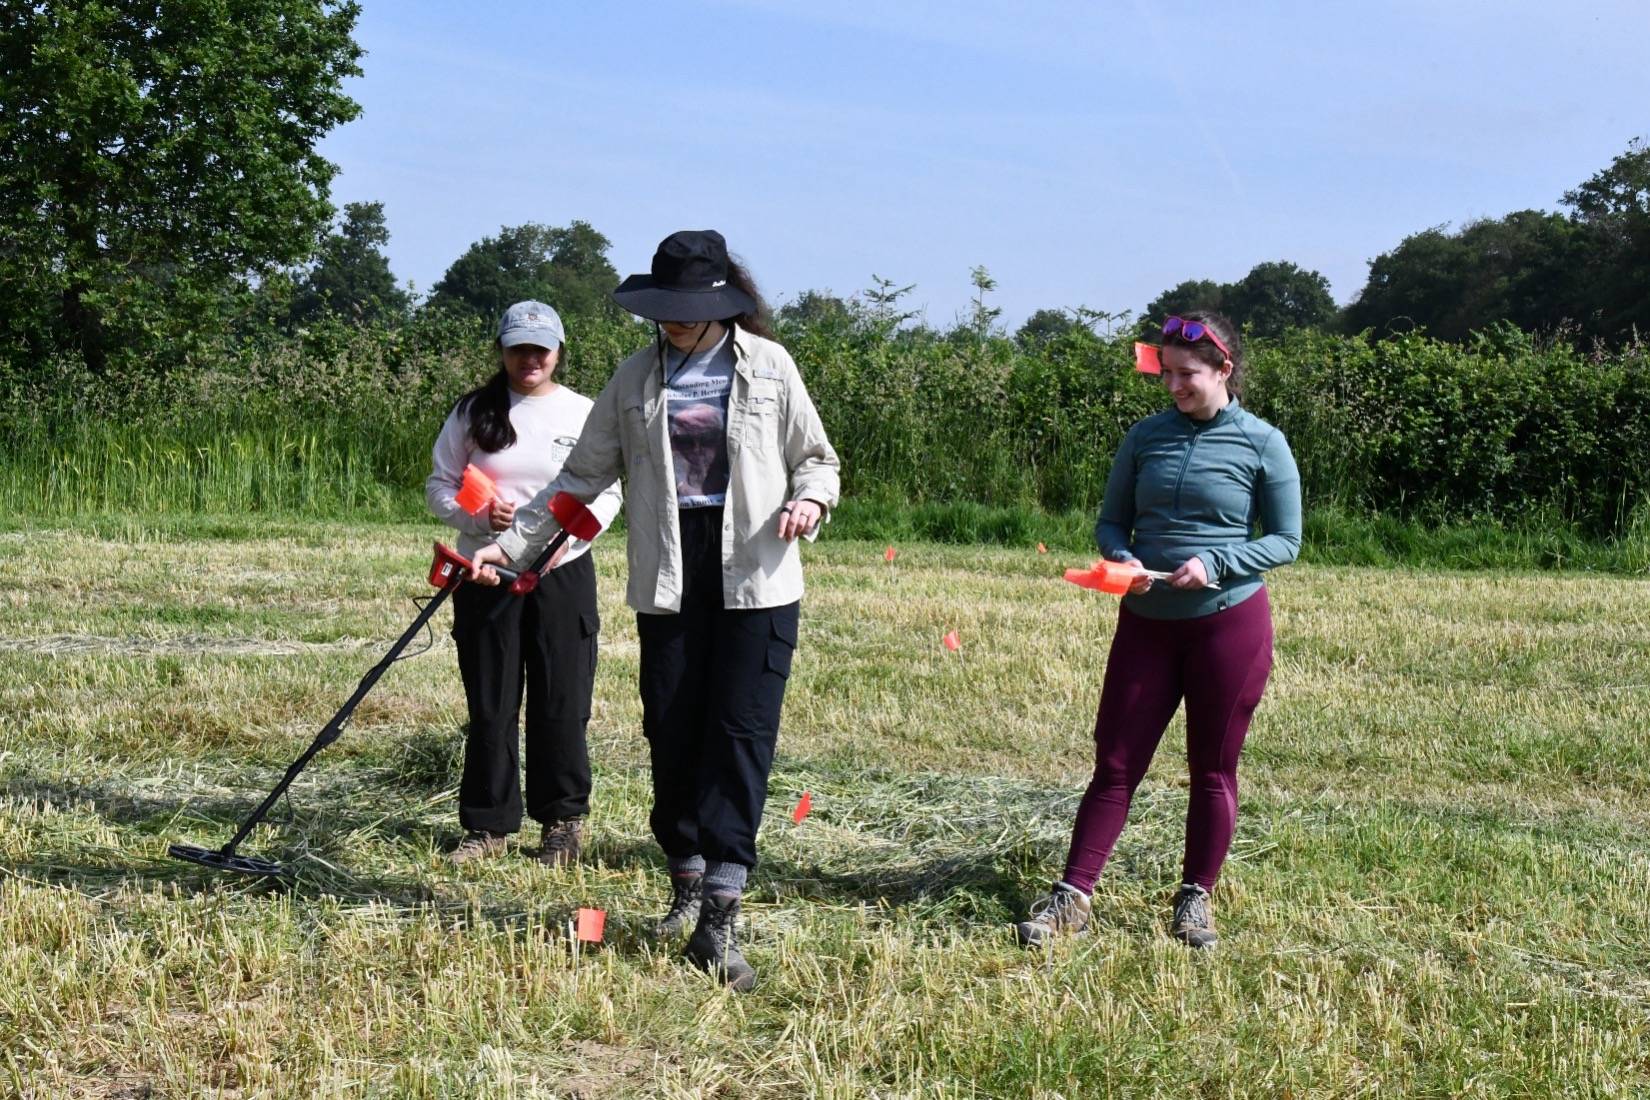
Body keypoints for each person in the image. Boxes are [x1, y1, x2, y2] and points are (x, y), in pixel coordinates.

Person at [471, 230, 840, 991]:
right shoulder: (635, 377)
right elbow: (579, 476)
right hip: (669, 570)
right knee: (671, 726)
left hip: (756, 574)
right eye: (663, 309)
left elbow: (818, 458)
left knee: (740, 736)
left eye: (686, 310)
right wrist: (510, 547)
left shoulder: (769, 367)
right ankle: (685, 879)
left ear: (718, 305)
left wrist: (809, 499)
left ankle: (721, 918)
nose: (672, 322)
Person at [1015, 311, 1301, 950]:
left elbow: (1286, 540)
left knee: (1212, 768)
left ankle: (1196, 897)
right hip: (1146, 620)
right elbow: (1111, 522)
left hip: (1228, 624)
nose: (1173, 386)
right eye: (1166, 373)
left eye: (1187, 375)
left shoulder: (1262, 442)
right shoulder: (1145, 437)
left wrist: (1218, 562)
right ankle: (1072, 897)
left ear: (1223, 369)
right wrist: (1122, 560)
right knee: (1115, 764)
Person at [426, 301, 622, 867]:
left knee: (562, 698)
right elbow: (439, 486)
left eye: (540, 348)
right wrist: (476, 521)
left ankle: (562, 822)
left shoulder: (584, 413)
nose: (529, 358)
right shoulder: (473, 412)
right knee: (492, 700)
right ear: (502, 349)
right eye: (518, 348)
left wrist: (560, 548)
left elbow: (606, 494)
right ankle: (487, 825)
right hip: (485, 572)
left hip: (562, 573)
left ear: (559, 351)